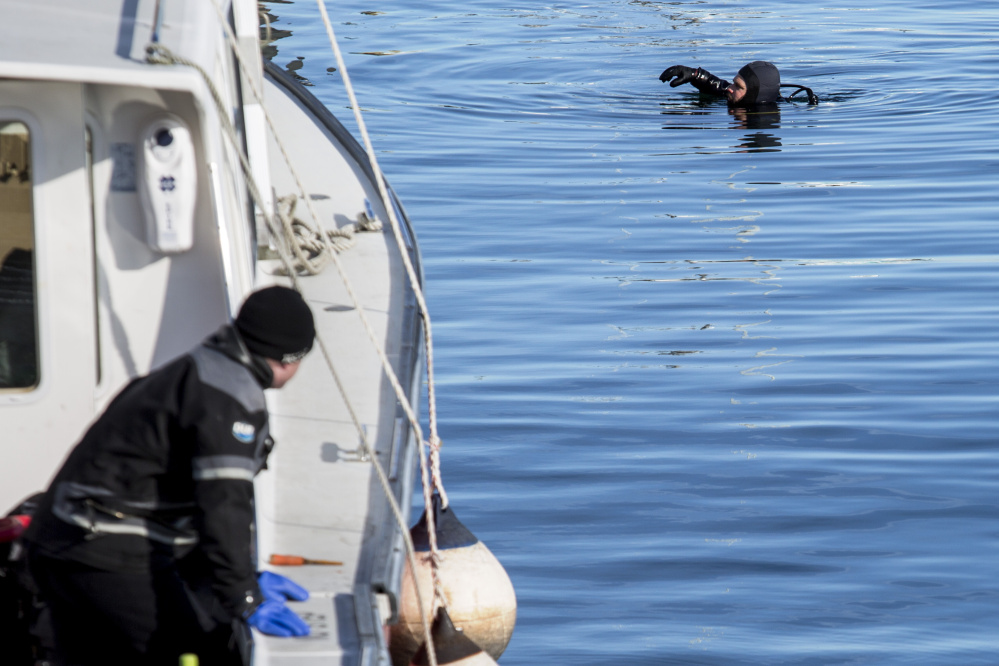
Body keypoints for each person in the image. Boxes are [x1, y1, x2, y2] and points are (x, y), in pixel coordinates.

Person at [23, 285, 316, 666]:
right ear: (290, 358)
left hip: (62, 536)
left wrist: (240, 575)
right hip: (97, 545)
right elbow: (224, 505)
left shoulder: (202, 366)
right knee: (195, 650)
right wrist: (244, 595)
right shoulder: (232, 397)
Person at [659, 60, 817, 106]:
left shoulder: (760, 113)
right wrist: (696, 75)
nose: (730, 89)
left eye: (738, 87)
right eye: (734, 83)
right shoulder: (743, 98)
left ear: (755, 94)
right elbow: (721, 86)